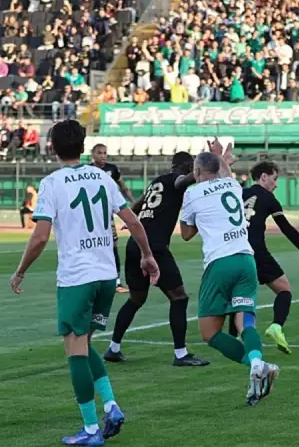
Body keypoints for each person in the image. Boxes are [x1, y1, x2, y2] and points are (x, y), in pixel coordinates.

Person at [9, 119, 160, 444]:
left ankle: (91, 428)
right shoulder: (102, 177)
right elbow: (131, 220)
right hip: (107, 275)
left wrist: (21, 270)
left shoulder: (52, 183)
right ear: (84, 145)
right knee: (84, 343)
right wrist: (147, 255)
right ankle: (111, 405)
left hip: (77, 278)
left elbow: (40, 237)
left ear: (52, 147)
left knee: (74, 349)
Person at [179, 147, 278, 406]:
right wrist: (218, 157)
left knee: (210, 333)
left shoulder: (192, 192)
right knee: (244, 323)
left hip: (219, 263)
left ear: (197, 171)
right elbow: (222, 169)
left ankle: (255, 365)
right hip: (246, 260)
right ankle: (258, 363)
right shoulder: (232, 184)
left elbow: (186, 233)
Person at [103, 151, 210, 367]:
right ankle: (181, 354)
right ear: (189, 167)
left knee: (136, 299)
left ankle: (113, 348)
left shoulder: (157, 181)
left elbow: (137, 205)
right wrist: (200, 171)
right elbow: (182, 181)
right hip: (154, 247)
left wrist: (131, 222)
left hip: (135, 243)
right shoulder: (177, 179)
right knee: (179, 297)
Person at [226, 161, 299, 352]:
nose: (276, 184)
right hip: (255, 250)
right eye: (274, 179)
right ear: (263, 177)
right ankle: (276, 327)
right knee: (284, 289)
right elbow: (287, 229)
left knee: (239, 295)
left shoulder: (239, 193)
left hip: (231, 249)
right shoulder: (269, 198)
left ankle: (232, 338)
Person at [91, 144, 135, 294]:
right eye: (99, 153)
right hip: (91, 215)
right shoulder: (88, 170)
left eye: (105, 153)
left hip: (107, 214)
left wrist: (133, 203)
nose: (103, 156)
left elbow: (123, 186)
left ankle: (116, 281)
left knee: (112, 245)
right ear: (93, 155)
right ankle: (94, 279)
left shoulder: (112, 169)